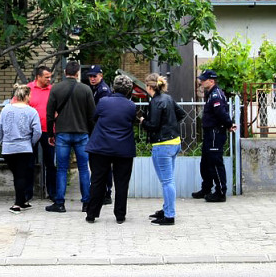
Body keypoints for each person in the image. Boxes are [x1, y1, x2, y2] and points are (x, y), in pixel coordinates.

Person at [84, 75, 137, 224]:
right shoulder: (131, 106)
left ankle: (91, 214)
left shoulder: (103, 102)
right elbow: (132, 121)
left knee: (97, 180)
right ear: (129, 91)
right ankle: (120, 215)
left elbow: (95, 117)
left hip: (100, 146)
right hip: (123, 149)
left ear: (114, 87)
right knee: (122, 182)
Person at [45, 61, 95, 213]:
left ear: (65, 72)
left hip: (62, 133)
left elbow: (49, 114)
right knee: (84, 169)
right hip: (82, 134)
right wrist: (91, 133)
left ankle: (59, 203)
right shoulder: (86, 89)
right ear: (78, 73)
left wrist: (50, 133)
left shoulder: (56, 88)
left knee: (61, 169)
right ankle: (86, 203)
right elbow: (92, 115)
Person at [139, 73, 186, 226]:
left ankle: (169, 215)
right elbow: (181, 114)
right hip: (175, 143)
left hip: (162, 145)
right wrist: (169, 124)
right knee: (169, 180)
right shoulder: (168, 98)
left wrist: (142, 121)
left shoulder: (155, 102)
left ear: (149, 86)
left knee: (167, 181)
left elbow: (153, 126)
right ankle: (166, 209)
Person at [0, 84, 42, 213]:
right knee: (21, 175)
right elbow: (37, 131)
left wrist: (2, 141)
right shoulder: (32, 111)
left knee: (17, 174)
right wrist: (31, 142)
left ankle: (22, 201)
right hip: (24, 147)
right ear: (26, 96)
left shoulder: (6, 109)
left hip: (8, 148)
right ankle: (17, 204)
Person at [193, 69, 236, 202]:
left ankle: (220, 192)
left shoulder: (216, 95)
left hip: (215, 133)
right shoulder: (211, 94)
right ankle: (206, 188)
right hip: (209, 133)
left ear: (211, 81)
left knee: (215, 162)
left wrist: (229, 124)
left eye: (203, 80)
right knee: (205, 162)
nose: (201, 82)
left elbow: (221, 113)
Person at [26, 65, 55, 202]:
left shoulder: (53, 90)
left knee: (51, 163)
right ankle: (27, 193)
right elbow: (17, 105)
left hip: (48, 131)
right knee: (29, 163)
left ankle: (52, 192)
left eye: (50, 77)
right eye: (46, 77)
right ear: (38, 77)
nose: (49, 79)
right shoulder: (28, 89)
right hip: (30, 131)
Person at [86, 65, 114, 205]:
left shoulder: (103, 90)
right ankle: (103, 192)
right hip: (99, 131)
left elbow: (99, 112)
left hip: (102, 131)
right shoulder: (95, 89)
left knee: (104, 164)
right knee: (100, 164)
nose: (92, 78)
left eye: (94, 76)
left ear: (101, 76)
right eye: (90, 76)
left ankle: (106, 193)